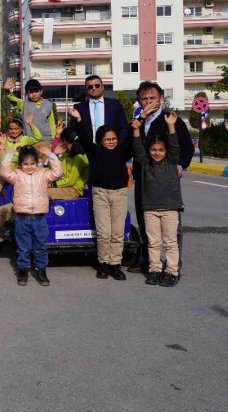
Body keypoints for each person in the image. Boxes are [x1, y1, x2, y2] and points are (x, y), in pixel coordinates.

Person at [129, 80, 194, 274]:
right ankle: (150, 260)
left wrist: (180, 165)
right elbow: (130, 146)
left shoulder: (171, 119)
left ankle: (173, 264)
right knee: (146, 220)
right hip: (143, 178)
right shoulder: (137, 121)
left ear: (161, 99)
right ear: (139, 101)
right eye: (144, 98)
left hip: (166, 181)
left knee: (171, 226)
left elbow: (186, 146)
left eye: (152, 98)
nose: (148, 102)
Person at [71, 108, 131, 280]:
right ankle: (103, 264)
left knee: (117, 233)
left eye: (113, 139)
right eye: (107, 139)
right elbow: (83, 137)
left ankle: (115, 265)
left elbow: (134, 137)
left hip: (119, 194)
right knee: (104, 233)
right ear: (100, 141)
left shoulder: (123, 151)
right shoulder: (95, 152)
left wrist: (138, 121)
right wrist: (79, 120)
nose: (111, 142)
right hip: (100, 194)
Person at [0, 144, 62, 287]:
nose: (29, 167)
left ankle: (41, 270)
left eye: (32, 163)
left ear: (37, 162)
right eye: (25, 164)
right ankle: (23, 270)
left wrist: (51, 155)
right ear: (20, 164)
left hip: (39, 219)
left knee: (40, 247)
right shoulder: (17, 175)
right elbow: (4, 172)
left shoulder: (44, 174)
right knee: (23, 248)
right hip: (22, 218)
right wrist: (9, 155)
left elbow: (58, 172)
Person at [131, 113, 183, 287]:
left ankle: (171, 271)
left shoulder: (171, 161)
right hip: (150, 209)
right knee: (153, 242)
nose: (157, 153)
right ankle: (154, 269)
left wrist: (170, 125)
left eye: (161, 150)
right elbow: (137, 148)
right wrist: (136, 129)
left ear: (166, 151)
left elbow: (175, 144)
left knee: (170, 242)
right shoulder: (145, 162)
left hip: (170, 208)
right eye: (153, 149)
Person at [0, 113, 42, 212]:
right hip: (6, 167)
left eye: (16, 129)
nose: (13, 131)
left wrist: (31, 124)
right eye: (11, 129)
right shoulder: (5, 139)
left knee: (2, 174)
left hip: (18, 169)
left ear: (21, 129)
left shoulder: (25, 139)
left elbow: (38, 137)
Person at [68, 75, 129, 146]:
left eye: (97, 85)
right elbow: (73, 130)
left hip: (112, 149)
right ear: (86, 90)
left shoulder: (115, 105)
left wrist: (118, 144)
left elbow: (124, 127)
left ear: (103, 87)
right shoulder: (79, 108)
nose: (94, 88)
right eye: (90, 87)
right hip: (88, 150)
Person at [4, 77, 57, 141]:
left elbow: (51, 122)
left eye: (36, 91)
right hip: (29, 139)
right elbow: (11, 97)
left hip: (46, 139)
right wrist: (7, 90)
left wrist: (53, 137)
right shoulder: (23, 104)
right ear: (26, 94)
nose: (34, 94)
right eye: (31, 92)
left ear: (41, 91)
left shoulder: (48, 104)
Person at [48, 127, 89, 200]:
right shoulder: (66, 154)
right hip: (63, 186)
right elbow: (55, 169)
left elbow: (70, 181)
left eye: (61, 141)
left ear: (64, 140)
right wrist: (54, 155)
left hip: (73, 190)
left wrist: (53, 185)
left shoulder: (80, 157)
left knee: (42, 193)